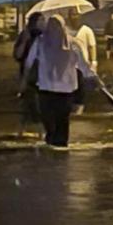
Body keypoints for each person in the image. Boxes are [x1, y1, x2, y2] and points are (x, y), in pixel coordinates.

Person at [22, 15, 92, 149]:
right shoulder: (46, 42)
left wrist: (25, 79)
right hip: (57, 89)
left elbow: (29, 62)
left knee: (55, 120)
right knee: (56, 121)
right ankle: (57, 149)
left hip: (54, 89)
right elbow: (84, 66)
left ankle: (55, 147)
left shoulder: (46, 43)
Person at [12, 13, 44, 135]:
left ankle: (40, 132)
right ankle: (22, 130)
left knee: (40, 104)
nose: (43, 23)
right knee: (28, 103)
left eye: (44, 20)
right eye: (40, 20)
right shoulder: (25, 35)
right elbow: (17, 55)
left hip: (42, 76)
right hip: (28, 74)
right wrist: (25, 41)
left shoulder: (46, 37)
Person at [67, 11, 97, 115]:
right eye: (72, 14)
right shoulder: (65, 30)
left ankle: (79, 111)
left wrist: (93, 63)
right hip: (68, 66)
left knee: (81, 89)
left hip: (82, 66)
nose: (74, 17)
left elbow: (92, 46)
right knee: (69, 89)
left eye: (76, 14)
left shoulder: (86, 30)